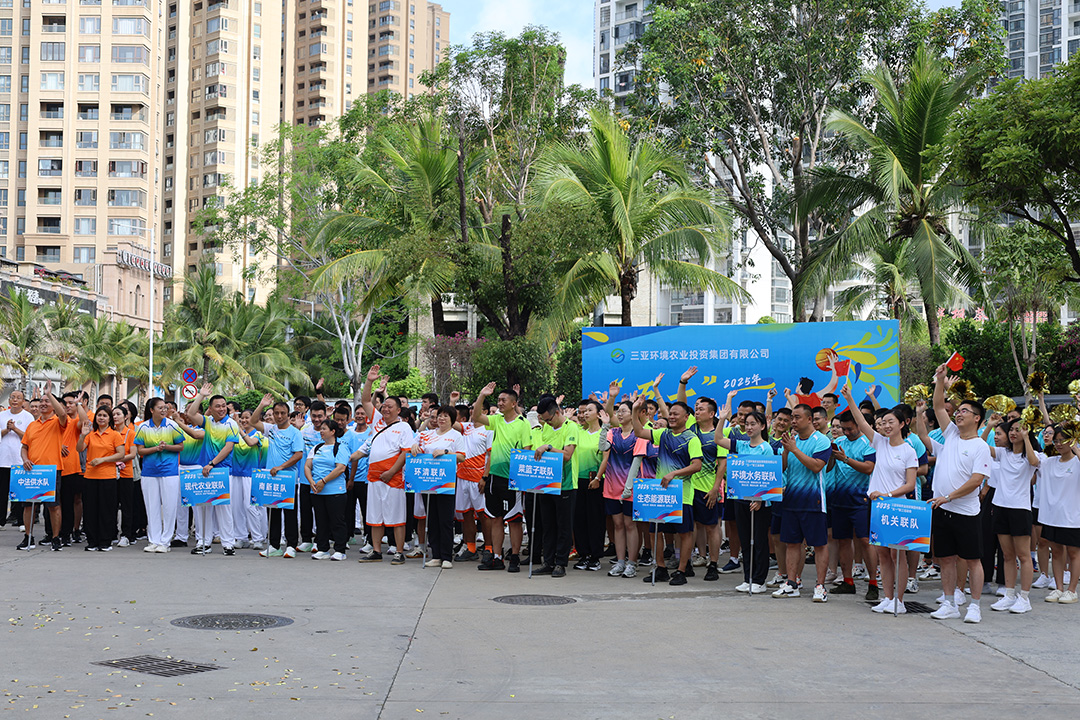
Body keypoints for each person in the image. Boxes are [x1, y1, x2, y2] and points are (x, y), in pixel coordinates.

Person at [840, 387, 918, 613]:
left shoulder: (908, 451)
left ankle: (899, 601)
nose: (886, 426)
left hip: (897, 506)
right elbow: (860, 421)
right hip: (877, 506)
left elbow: (910, 484)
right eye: (883, 423)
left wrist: (888, 494)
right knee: (883, 553)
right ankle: (888, 597)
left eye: (891, 422)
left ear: (902, 424)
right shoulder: (879, 442)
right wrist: (849, 398)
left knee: (897, 554)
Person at [926, 366, 993, 623]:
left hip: (965, 512)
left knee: (972, 560)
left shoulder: (980, 446)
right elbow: (938, 406)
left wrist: (949, 497)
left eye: (965, 411)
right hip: (942, 510)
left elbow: (976, 481)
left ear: (977, 418)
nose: (959, 413)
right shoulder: (952, 434)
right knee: (945, 559)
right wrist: (940, 381)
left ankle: (974, 606)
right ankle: (949, 603)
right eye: (959, 410)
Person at [631, 395, 703, 585]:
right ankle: (661, 568)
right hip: (661, 493)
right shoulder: (663, 434)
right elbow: (638, 431)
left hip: (682, 494)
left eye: (676, 414)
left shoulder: (691, 439)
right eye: (670, 414)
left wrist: (674, 474)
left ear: (686, 417)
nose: (671, 417)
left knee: (684, 534)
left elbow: (697, 465)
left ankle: (681, 570)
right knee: (655, 531)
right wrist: (635, 410)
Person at [354, 365, 415, 565]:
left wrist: (391, 472)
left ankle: (399, 552)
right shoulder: (377, 421)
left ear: (398, 410)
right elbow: (365, 400)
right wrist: (369, 381)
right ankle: (376, 551)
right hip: (374, 478)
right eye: (384, 406)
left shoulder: (404, 427)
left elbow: (405, 452)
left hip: (394, 479)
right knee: (375, 517)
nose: (386, 409)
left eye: (390, 406)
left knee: (396, 517)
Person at [772, 404, 833, 602]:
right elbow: (782, 468)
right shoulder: (792, 440)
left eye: (797, 417)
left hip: (814, 501)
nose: (793, 421)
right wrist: (786, 451)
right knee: (792, 543)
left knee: (819, 544)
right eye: (792, 418)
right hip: (791, 500)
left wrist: (794, 449)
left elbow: (816, 466)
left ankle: (820, 586)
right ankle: (792, 583)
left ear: (809, 419)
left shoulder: (821, 440)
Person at [471, 381, 532, 572]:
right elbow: (476, 416)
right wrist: (482, 395)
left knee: (514, 519)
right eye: (498, 400)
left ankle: (514, 557)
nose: (500, 403)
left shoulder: (523, 423)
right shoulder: (497, 420)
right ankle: (497, 557)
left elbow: (527, 449)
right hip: (494, 477)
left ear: (514, 403)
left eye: (504, 400)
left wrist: (520, 476)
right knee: (495, 518)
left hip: (512, 478)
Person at [716, 404, 778, 593]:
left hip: (759, 503)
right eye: (747, 424)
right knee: (745, 540)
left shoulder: (766, 448)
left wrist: (760, 499)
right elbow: (718, 439)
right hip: (741, 499)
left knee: (759, 541)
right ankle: (748, 578)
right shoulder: (741, 445)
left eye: (753, 424)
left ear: (762, 426)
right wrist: (722, 418)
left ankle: (759, 580)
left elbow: (769, 476)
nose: (749, 427)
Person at [985, 418, 1041, 613]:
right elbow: (981, 446)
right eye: (1012, 430)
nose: (1013, 433)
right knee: (1007, 555)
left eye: (1018, 429)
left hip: (1020, 510)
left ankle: (1024, 598)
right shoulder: (1003, 453)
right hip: (1000, 507)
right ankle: (1009, 595)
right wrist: (989, 427)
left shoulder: (1032, 454)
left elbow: (1034, 462)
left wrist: (1025, 438)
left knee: (1023, 556)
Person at [824, 409, 877, 600]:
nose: (846, 432)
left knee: (865, 541)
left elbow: (869, 468)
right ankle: (848, 581)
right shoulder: (839, 442)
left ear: (858, 425)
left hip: (861, 500)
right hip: (840, 500)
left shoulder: (868, 443)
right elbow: (829, 468)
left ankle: (873, 583)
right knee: (843, 541)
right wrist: (832, 457)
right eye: (843, 429)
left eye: (849, 429)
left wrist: (846, 459)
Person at [678, 369, 725, 581]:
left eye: (701, 409)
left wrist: (715, 488)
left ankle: (713, 564)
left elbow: (722, 463)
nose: (696, 411)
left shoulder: (717, 434)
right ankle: (687, 563)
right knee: (689, 527)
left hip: (707, 488)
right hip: (688, 488)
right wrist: (683, 382)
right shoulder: (690, 427)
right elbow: (681, 404)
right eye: (695, 409)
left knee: (712, 527)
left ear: (711, 413)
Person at [184, 384, 240, 556]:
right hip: (205, 471)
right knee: (203, 508)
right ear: (211, 408)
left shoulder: (231, 424)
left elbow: (228, 448)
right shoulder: (207, 422)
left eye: (224, 406)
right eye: (218, 406)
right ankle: (203, 543)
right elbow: (190, 414)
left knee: (224, 508)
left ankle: (228, 544)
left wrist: (212, 464)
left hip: (222, 471)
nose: (222, 409)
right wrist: (201, 395)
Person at [532, 395, 579, 578]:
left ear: (557, 412)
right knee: (548, 525)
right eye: (544, 420)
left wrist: (548, 447)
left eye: (548, 419)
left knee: (563, 526)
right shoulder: (547, 428)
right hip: (547, 483)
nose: (547, 423)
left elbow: (567, 455)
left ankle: (560, 563)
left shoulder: (571, 427)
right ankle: (548, 562)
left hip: (566, 484)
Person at [252, 395, 305, 557]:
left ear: (288, 415)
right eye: (276, 413)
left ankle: (291, 545)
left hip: (288, 479)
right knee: (273, 513)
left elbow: (298, 454)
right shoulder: (271, 429)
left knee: (289, 513)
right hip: (271, 478)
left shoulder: (295, 433)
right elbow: (253, 422)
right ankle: (274, 545)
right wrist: (262, 405)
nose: (279, 416)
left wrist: (281, 467)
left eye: (283, 413)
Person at [412, 406, 465, 569]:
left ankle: (446, 556)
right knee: (432, 518)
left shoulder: (456, 436)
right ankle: (436, 555)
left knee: (445, 519)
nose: (441, 419)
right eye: (439, 416)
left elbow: (462, 457)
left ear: (452, 419)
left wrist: (446, 452)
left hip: (446, 481)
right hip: (427, 479)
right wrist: (414, 448)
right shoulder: (427, 434)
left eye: (445, 416)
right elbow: (415, 446)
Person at [597, 400, 644, 578]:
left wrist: (628, 488)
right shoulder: (613, 432)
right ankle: (620, 561)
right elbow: (602, 447)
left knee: (630, 525)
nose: (620, 414)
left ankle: (632, 563)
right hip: (611, 486)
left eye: (624, 411)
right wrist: (605, 426)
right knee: (617, 525)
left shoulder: (639, 435)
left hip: (630, 488)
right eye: (619, 411)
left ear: (633, 414)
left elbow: (637, 462)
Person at [18, 382, 68, 551]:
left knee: (53, 506)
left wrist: (49, 393)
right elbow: (24, 447)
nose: (44, 404)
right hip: (32, 471)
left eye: (47, 401)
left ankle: (55, 538)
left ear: (53, 404)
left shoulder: (58, 422)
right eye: (42, 401)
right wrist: (25, 459)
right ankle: (28, 537)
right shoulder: (32, 425)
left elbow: (63, 413)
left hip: (51, 471)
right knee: (28, 506)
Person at [134, 398, 185, 553]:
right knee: (152, 507)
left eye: (165, 408)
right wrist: (156, 449)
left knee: (169, 507)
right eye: (160, 408)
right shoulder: (143, 427)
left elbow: (180, 446)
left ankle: (165, 541)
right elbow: (140, 450)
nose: (164, 410)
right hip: (149, 472)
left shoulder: (172, 425)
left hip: (169, 471)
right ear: (151, 410)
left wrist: (166, 446)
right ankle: (154, 540)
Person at [1035, 426, 1080, 604]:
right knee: (1056, 552)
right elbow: (1033, 460)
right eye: (1056, 441)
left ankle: (1072, 590)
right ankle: (1059, 587)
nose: (1059, 444)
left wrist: (1077, 449)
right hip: (1052, 516)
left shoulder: (1077, 462)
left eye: (1063, 440)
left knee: (1074, 553)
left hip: (1072, 517)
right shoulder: (1049, 462)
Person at [77, 407, 125, 552]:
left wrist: (102, 460)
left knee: (106, 510)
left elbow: (121, 454)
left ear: (109, 418)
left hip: (107, 477)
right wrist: (82, 435)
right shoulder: (91, 434)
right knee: (90, 510)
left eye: (105, 415)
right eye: (99, 415)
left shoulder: (115, 435)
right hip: (90, 476)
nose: (101, 418)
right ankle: (92, 541)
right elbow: (79, 449)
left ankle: (105, 541)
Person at [305, 419, 351, 560]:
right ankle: (323, 549)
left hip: (335, 491)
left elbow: (340, 468)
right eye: (321, 429)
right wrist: (312, 482)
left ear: (333, 431)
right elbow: (307, 466)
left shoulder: (341, 448)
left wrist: (323, 481)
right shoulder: (317, 448)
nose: (321, 431)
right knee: (321, 521)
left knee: (337, 521)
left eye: (324, 428)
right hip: (317, 491)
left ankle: (340, 550)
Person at [453, 396, 490, 563]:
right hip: (462, 477)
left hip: (478, 479)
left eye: (475, 408)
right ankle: (471, 548)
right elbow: (451, 421)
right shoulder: (466, 427)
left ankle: (489, 548)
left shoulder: (489, 430)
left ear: (485, 411)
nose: (471, 411)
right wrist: (452, 402)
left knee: (483, 515)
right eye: (471, 408)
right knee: (466, 514)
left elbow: (490, 456)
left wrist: (485, 477)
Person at [572, 399, 606, 572]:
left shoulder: (604, 433)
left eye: (589, 410)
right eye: (584, 411)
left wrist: (598, 478)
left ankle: (595, 556)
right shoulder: (579, 432)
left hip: (596, 481)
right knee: (579, 519)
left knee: (595, 519)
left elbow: (606, 458)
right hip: (578, 480)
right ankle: (583, 554)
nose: (585, 413)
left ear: (598, 414)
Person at [232, 409, 269, 550]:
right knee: (236, 507)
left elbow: (250, 443)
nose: (244, 420)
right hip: (236, 473)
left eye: (247, 418)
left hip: (251, 474)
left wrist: (239, 429)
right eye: (242, 418)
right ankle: (241, 537)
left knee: (250, 506)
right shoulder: (235, 433)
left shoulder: (258, 434)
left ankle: (258, 538)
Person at [296, 400, 328, 552]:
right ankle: (306, 540)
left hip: (322, 480)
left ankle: (320, 540)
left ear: (325, 415)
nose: (317, 419)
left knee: (321, 512)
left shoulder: (329, 433)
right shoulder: (303, 432)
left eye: (320, 416)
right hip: (305, 479)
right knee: (305, 510)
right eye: (314, 416)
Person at [58, 392, 88, 546]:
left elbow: (84, 422)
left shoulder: (73, 422)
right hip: (54, 468)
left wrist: (78, 404)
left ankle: (71, 532)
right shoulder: (54, 422)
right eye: (66, 403)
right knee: (56, 504)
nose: (68, 406)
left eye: (71, 403)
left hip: (72, 469)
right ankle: (55, 533)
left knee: (72, 501)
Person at [0, 390, 32, 530]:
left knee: (19, 493)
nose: (15, 400)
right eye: (12, 397)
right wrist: (6, 430)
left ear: (23, 401)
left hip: (19, 461)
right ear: (9, 400)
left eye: (18, 398)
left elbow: (30, 437)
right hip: (3, 460)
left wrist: (14, 428)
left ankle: (21, 521)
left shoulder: (28, 417)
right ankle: (1, 521)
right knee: (2, 492)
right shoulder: (2, 415)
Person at [112, 405, 138, 547]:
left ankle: (126, 534)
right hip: (110, 473)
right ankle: (112, 532)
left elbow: (133, 454)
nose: (115, 417)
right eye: (113, 414)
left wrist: (117, 459)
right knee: (111, 505)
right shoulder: (110, 432)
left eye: (118, 414)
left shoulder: (130, 433)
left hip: (126, 474)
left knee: (127, 506)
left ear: (125, 416)